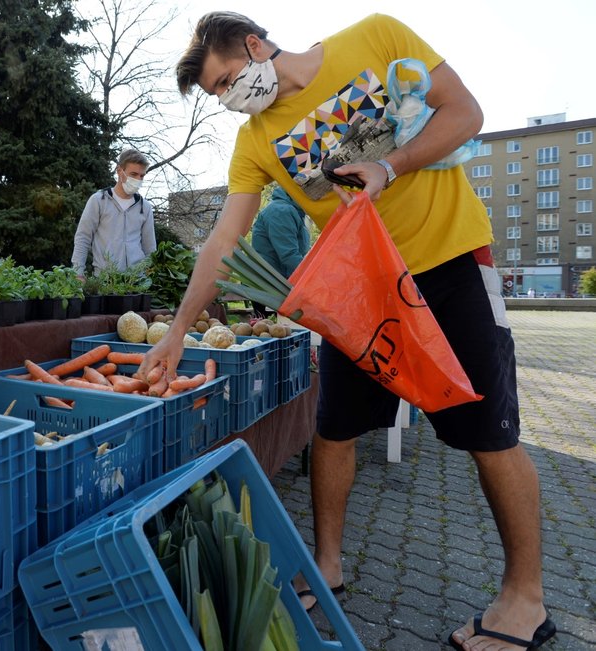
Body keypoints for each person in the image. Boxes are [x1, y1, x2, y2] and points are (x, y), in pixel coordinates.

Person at [139, 12, 553, 651]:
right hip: (362, 290)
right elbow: (223, 241)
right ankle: (327, 565)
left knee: (490, 430)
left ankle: (526, 600)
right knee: (334, 429)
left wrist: (394, 164)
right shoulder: (254, 143)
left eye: (226, 81)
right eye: (217, 95)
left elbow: (465, 113)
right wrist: (176, 333)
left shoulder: (375, 38)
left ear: (254, 47)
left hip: (451, 261)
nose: (227, 100)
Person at [71, 149, 157, 278]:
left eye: (142, 176)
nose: (138, 179)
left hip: (137, 282)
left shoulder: (145, 207)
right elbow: (83, 238)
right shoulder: (99, 200)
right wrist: (78, 273)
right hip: (104, 280)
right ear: (119, 171)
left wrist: (152, 277)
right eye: (133, 174)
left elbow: (150, 248)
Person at [251, 185, 310, 277]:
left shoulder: (293, 211)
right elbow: (289, 256)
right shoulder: (281, 211)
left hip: (277, 282)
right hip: (269, 285)